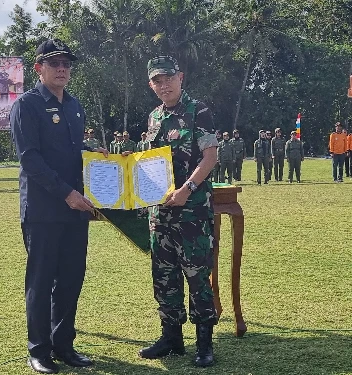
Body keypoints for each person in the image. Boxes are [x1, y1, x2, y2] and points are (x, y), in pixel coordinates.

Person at [10, 38, 108, 374]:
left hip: (76, 209)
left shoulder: (74, 106)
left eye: (66, 63)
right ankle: (38, 350)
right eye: (54, 63)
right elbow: (30, 159)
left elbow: (75, 151)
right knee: (41, 281)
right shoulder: (27, 105)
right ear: (39, 68)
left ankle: (64, 345)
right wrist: (66, 192)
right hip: (43, 210)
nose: (62, 68)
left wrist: (103, 163)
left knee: (70, 278)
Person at [139, 56, 218, 368]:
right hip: (160, 215)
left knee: (198, 277)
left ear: (180, 77)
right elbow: (150, 162)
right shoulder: (153, 117)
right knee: (164, 277)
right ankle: (171, 338)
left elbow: (210, 157)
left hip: (192, 214)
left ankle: (204, 344)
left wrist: (187, 189)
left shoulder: (198, 111)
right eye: (157, 80)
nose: (164, 85)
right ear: (151, 85)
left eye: (169, 78)